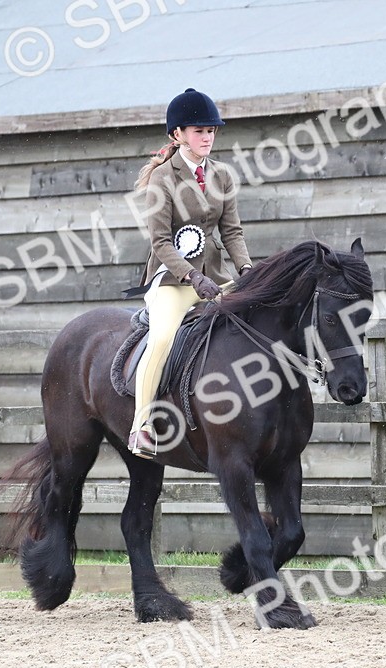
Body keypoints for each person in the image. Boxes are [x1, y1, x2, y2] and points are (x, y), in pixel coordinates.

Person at [128, 88, 253, 458]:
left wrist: (246, 268)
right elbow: (161, 242)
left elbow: (231, 231)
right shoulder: (162, 179)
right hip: (171, 281)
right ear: (177, 135)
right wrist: (192, 278)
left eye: (211, 131)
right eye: (199, 131)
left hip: (216, 277)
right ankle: (141, 427)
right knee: (163, 337)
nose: (207, 138)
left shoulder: (223, 175)